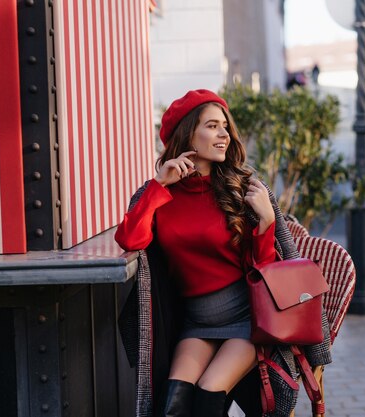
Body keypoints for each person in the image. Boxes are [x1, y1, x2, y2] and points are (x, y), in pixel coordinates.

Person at [115, 89, 331, 417]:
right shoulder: (157, 195)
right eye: (212, 126)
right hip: (196, 321)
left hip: (248, 320)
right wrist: (159, 184)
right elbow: (130, 239)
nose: (224, 135)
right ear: (188, 134)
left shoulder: (245, 189)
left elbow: (275, 269)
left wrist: (267, 223)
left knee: (208, 394)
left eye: (225, 127)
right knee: (172, 404)